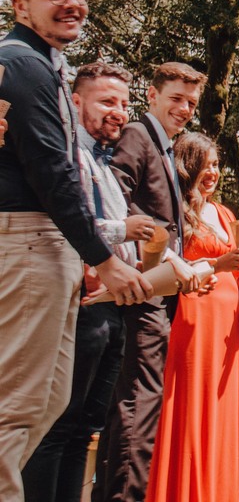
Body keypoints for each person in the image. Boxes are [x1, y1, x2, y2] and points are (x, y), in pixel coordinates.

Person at [0, 0, 151, 500]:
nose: (71, 4)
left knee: (46, 404)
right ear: (20, 6)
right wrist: (105, 259)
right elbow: (53, 173)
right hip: (28, 242)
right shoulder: (21, 66)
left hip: (48, 245)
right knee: (16, 407)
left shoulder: (43, 66)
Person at [22, 62, 166, 502]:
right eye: (106, 102)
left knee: (85, 428)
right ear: (75, 102)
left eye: (123, 103)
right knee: (57, 424)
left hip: (114, 307)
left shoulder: (105, 164)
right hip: (80, 302)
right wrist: (124, 229)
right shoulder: (69, 158)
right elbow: (63, 221)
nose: (118, 111)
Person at [93, 60, 207, 502]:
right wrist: (164, 256)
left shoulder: (165, 147)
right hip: (142, 291)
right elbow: (114, 202)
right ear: (152, 95)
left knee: (135, 405)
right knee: (139, 405)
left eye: (191, 103)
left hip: (159, 290)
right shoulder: (138, 137)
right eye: (176, 98)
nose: (184, 109)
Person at [145, 132, 239, 501]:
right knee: (190, 406)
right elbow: (165, 263)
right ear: (187, 165)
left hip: (227, 329)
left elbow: (235, 273)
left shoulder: (224, 213)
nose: (213, 172)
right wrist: (218, 264)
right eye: (206, 165)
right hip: (192, 318)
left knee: (220, 413)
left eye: (217, 165)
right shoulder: (175, 209)